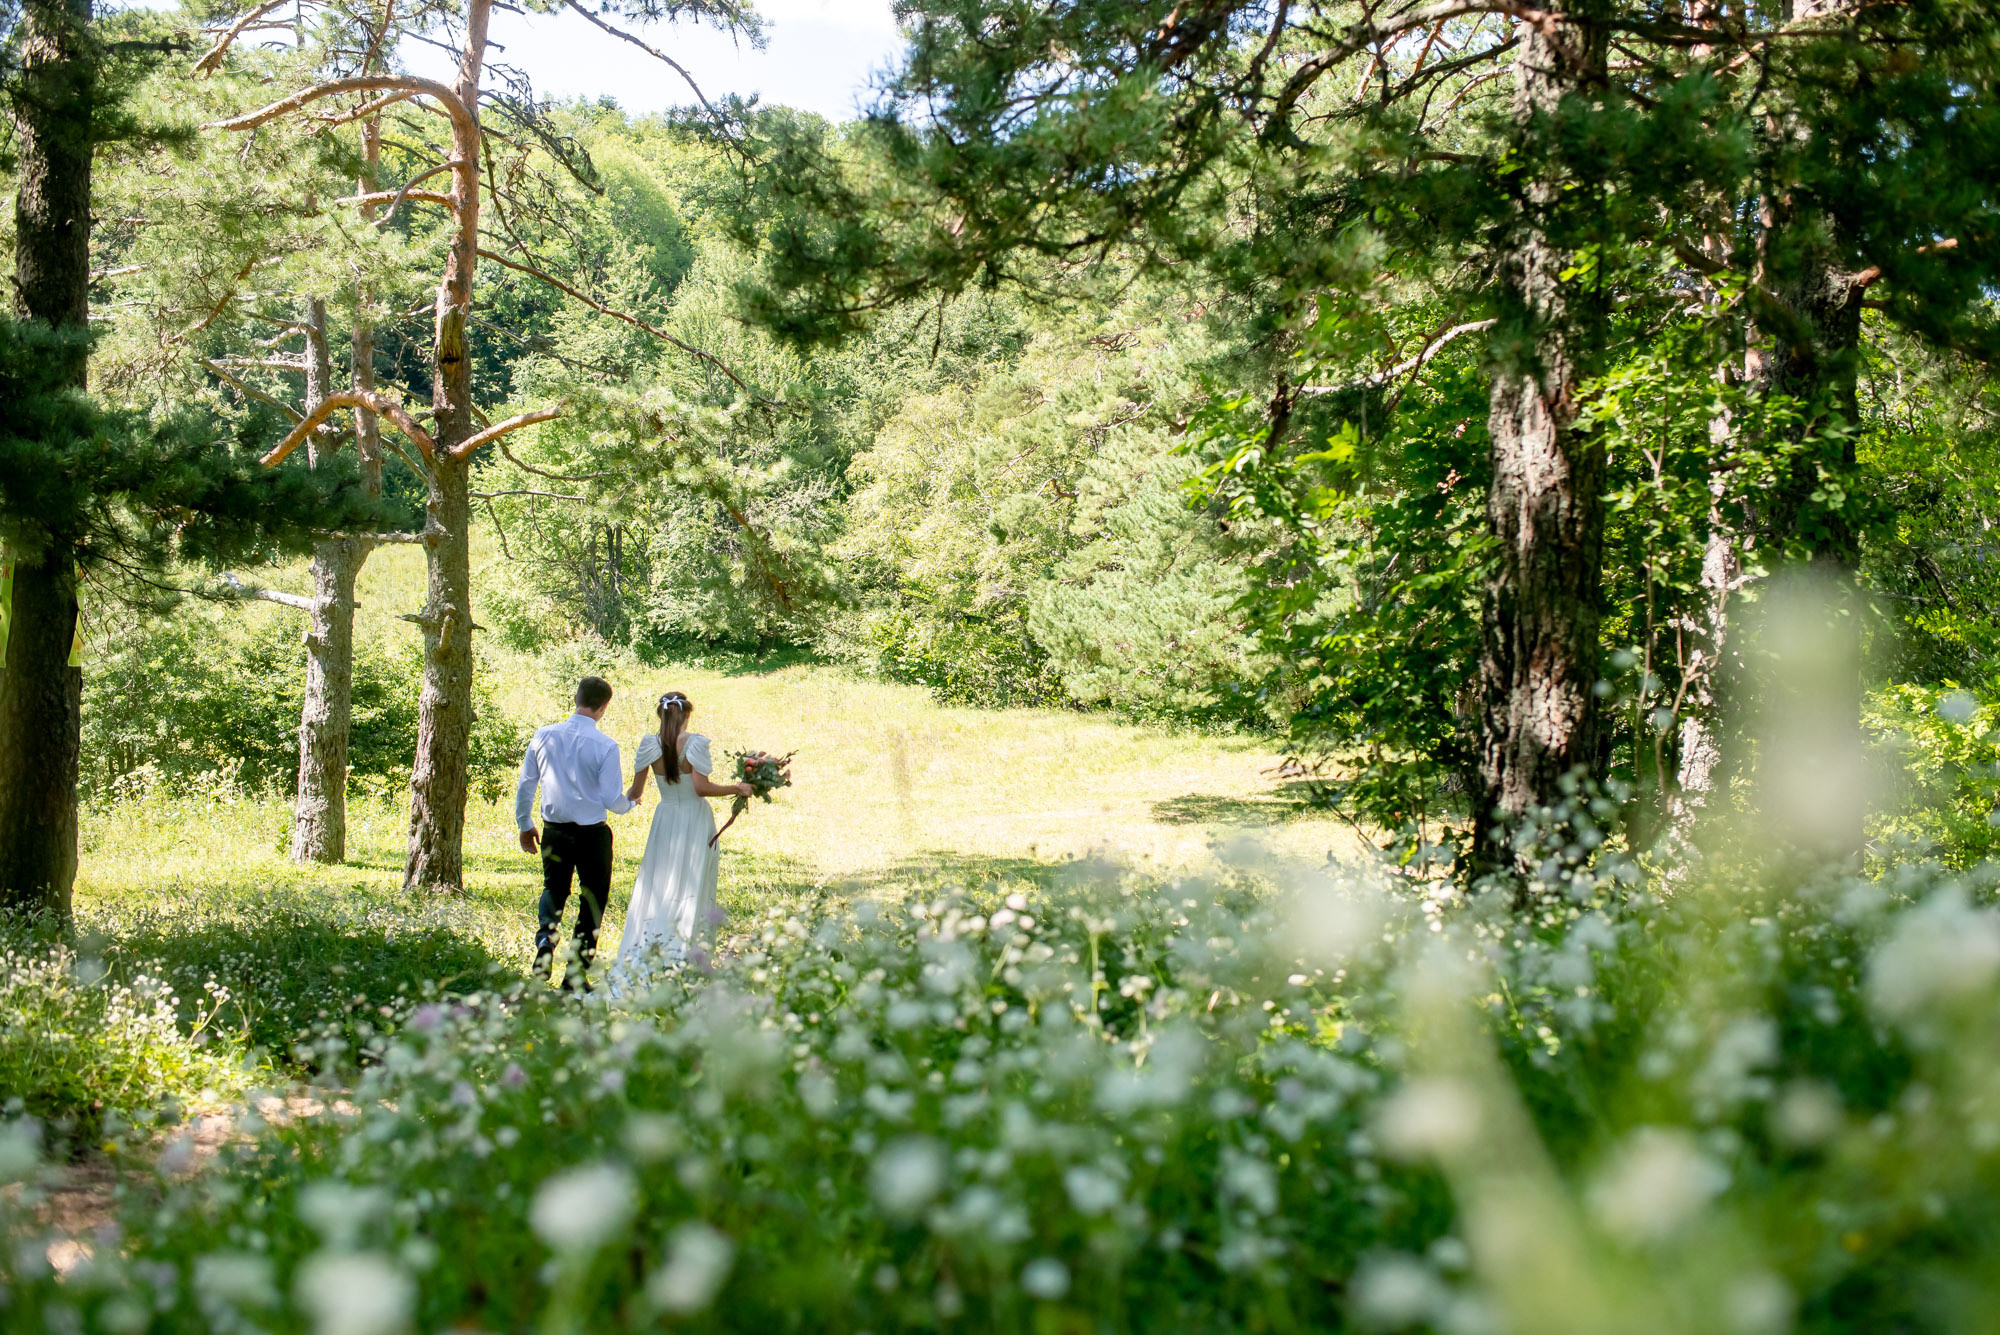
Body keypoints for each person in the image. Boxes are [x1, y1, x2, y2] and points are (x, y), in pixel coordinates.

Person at [612, 690, 752, 980]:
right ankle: (687, 953)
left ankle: (655, 948)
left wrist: (625, 801)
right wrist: (736, 788)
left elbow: (636, 793)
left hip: (665, 818)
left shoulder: (649, 745)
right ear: (687, 715)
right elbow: (701, 788)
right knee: (692, 882)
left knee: (659, 881)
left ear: (660, 715)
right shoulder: (695, 743)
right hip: (693, 818)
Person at [516, 675, 636, 991]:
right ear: (603, 707)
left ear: (576, 699)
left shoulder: (543, 735)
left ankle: (545, 946)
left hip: (553, 830)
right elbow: (612, 800)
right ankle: (574, 977)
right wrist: (631, 803)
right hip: (592, 836)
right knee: (592, 901)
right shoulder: (606, 745)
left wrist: (524, 824)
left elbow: (527, 782)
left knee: (553, 890)